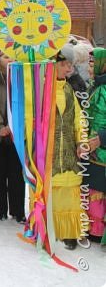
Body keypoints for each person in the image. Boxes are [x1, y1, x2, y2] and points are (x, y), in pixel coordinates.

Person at [51, 45, 88, 250]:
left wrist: (82, 140)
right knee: (50, 191)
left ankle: (69, 232)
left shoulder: (68, 90)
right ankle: (48, 227)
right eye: (64, 65)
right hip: (48, 153)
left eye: (70, 65)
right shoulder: (42, 90)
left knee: (69, 191)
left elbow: (78, 119)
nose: (68, 69)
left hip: (68, 154)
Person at [0, 48, 26, 223]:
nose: (10, 60)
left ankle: (18, 211)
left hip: (16, 135)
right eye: (6, 56)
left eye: (13, 57)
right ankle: (0, 209)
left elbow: (27, 104)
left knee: (16, 174)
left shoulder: (23, 78)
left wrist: (15, 126)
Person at [84, 48, 106, 250]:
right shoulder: (95, 85)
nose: (89, 68)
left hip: (102, 149)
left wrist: (101, 138)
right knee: (92, 188)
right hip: (90, 147)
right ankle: (93, 229)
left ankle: (99, 232)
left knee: (100, 189)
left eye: (93, 64)